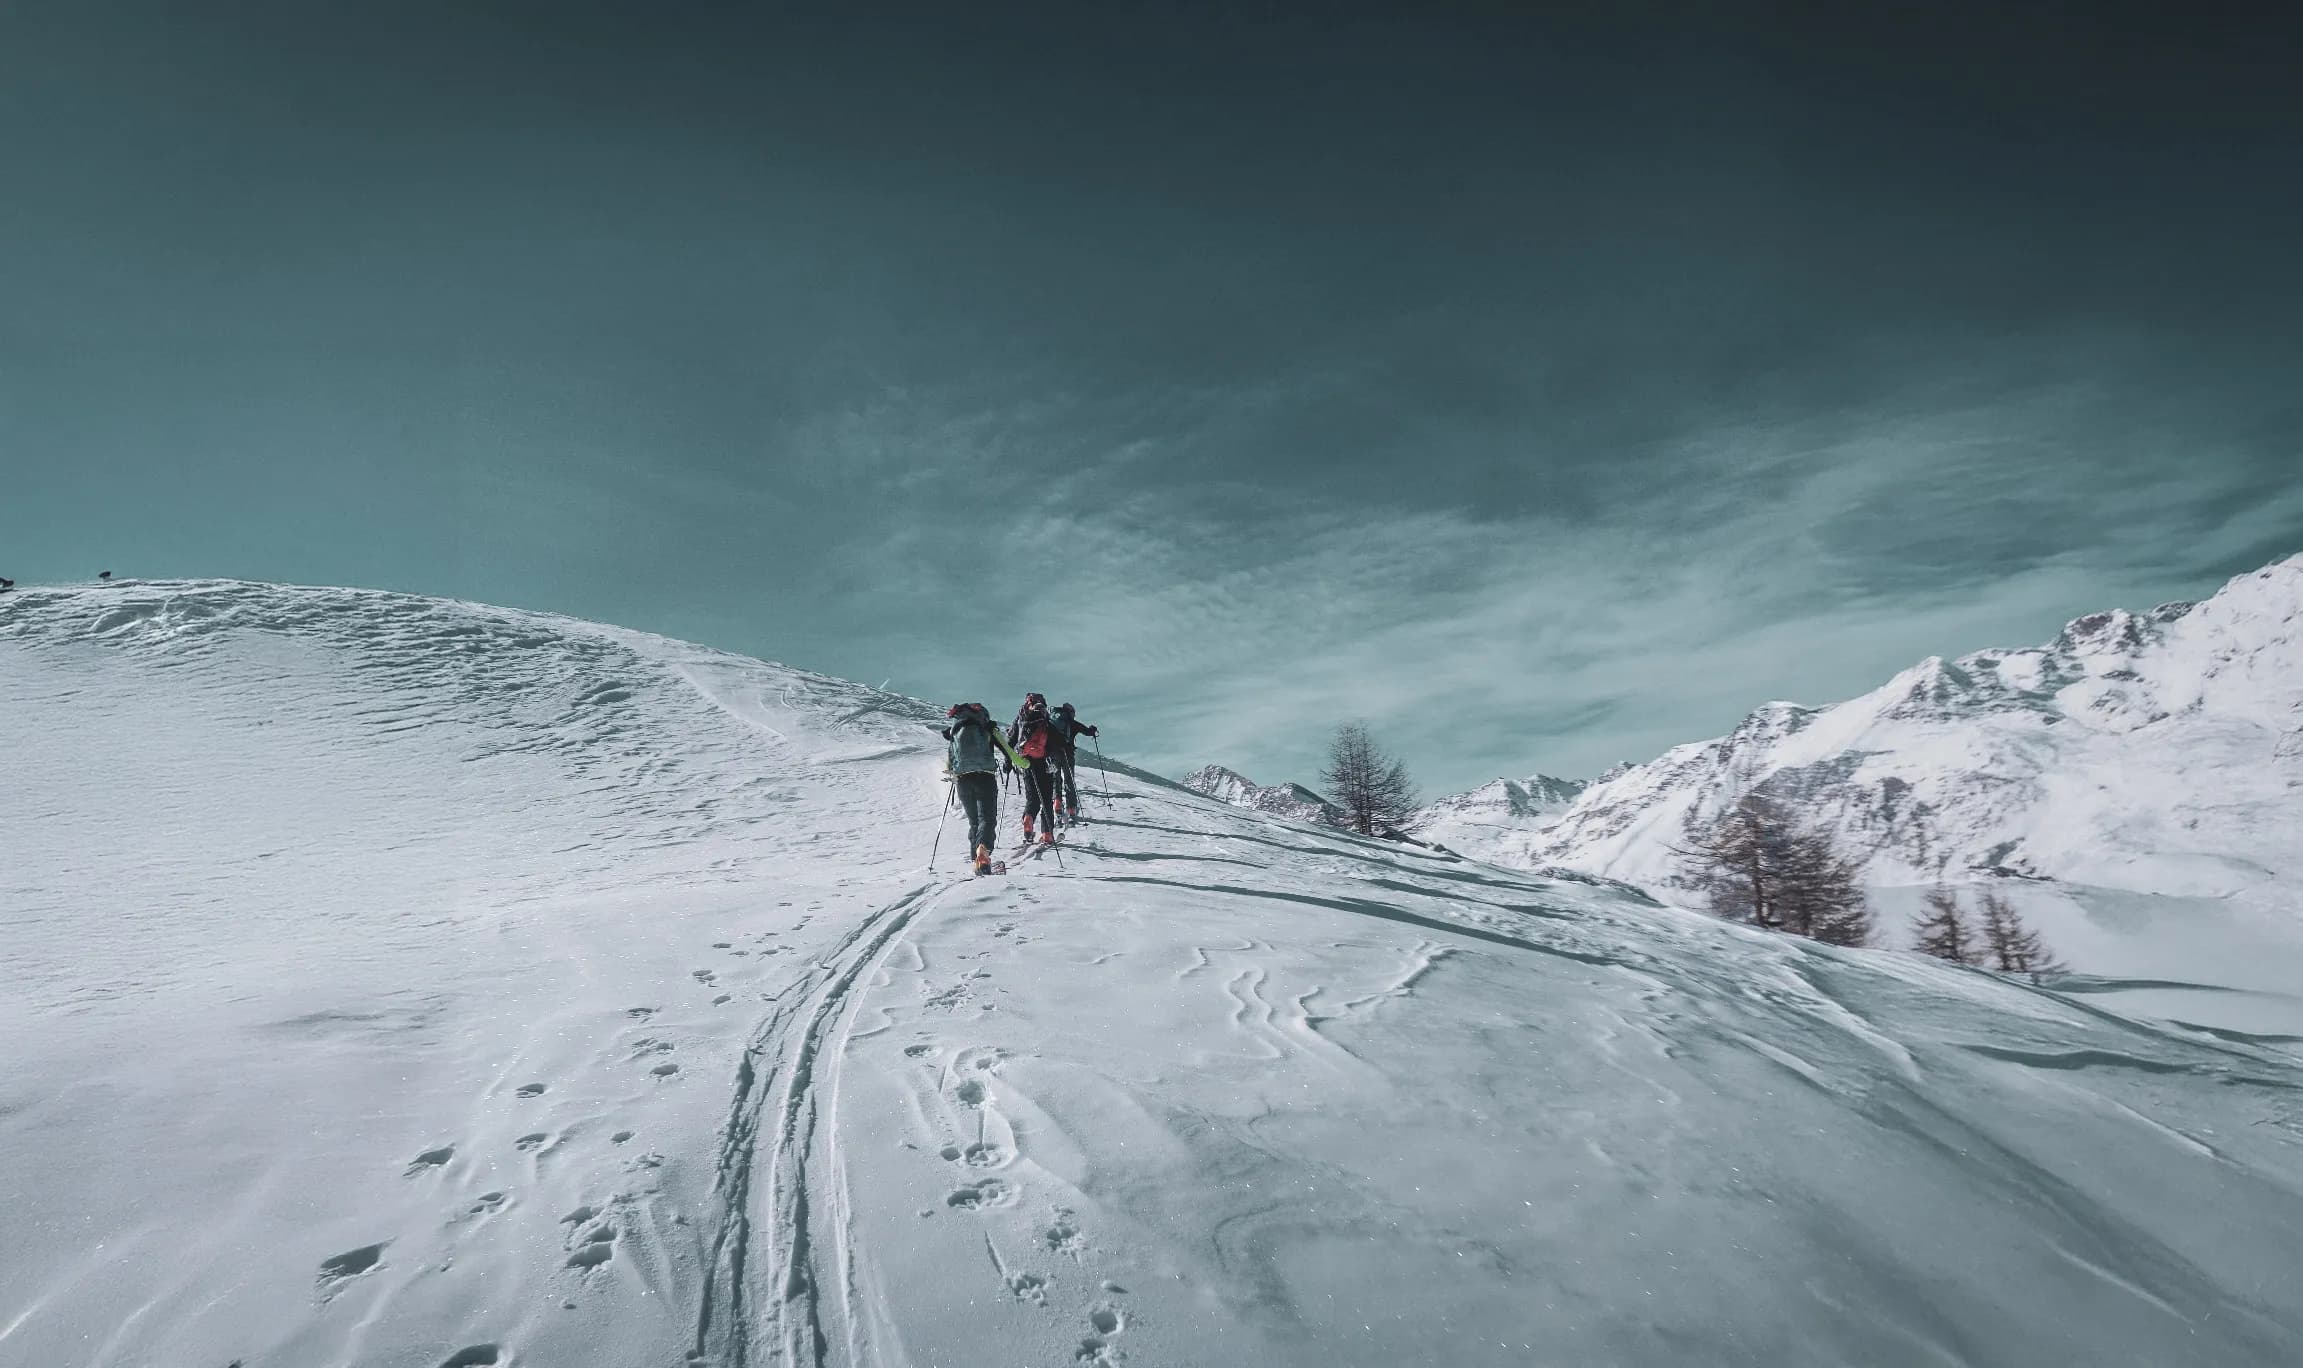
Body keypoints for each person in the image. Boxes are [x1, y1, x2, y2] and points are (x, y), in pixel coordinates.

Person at [941, 702, 1018, 875]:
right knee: (987, 819)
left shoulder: (955, 731)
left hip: (963, 781)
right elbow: (1011, 754)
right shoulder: (987, 728)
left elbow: (949, 764)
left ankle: (976, 862)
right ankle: (983, 854)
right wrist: (1025, 764)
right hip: (985, 778)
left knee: (974, 822)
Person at [1006, 692, 1061, 846]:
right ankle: (1047, 834)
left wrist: (1008, 762)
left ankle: (1028, 820)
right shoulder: (1044, 718)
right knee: (1046, 799)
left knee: (1032, 798)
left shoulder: (1022, 718)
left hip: (1025, 762)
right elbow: (1057, 741)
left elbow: (1010, 739)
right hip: (1044, 762)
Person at [1050, 702, 1100, 824]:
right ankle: (1071, 809)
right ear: (1070, 712)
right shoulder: (1072, 723)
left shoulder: (1052, 722)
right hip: (1068, 754)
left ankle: (1057, 803)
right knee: (1069, 780)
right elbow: (1087, 731)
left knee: (1056, 779)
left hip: (1053, 754)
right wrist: (1092, 730)